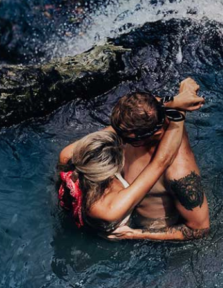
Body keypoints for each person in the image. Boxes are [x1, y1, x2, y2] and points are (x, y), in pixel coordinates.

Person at [59, 78, 210, 241]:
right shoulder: (138, 122)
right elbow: (147, 105)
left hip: (146, 234)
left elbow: (199, 229)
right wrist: (177, 100)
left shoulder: (179, 171)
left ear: (155, 134)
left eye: (127, 137)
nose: (116, 137)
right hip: (105, 206)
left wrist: (135, 234)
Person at [57, 120, 185, 234]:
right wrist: (179, 116)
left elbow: (122, 125)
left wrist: (172, 102)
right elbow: (161, 162)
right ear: (108, 172)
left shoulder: (67, 156)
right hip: (107, 229)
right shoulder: (109, 208)